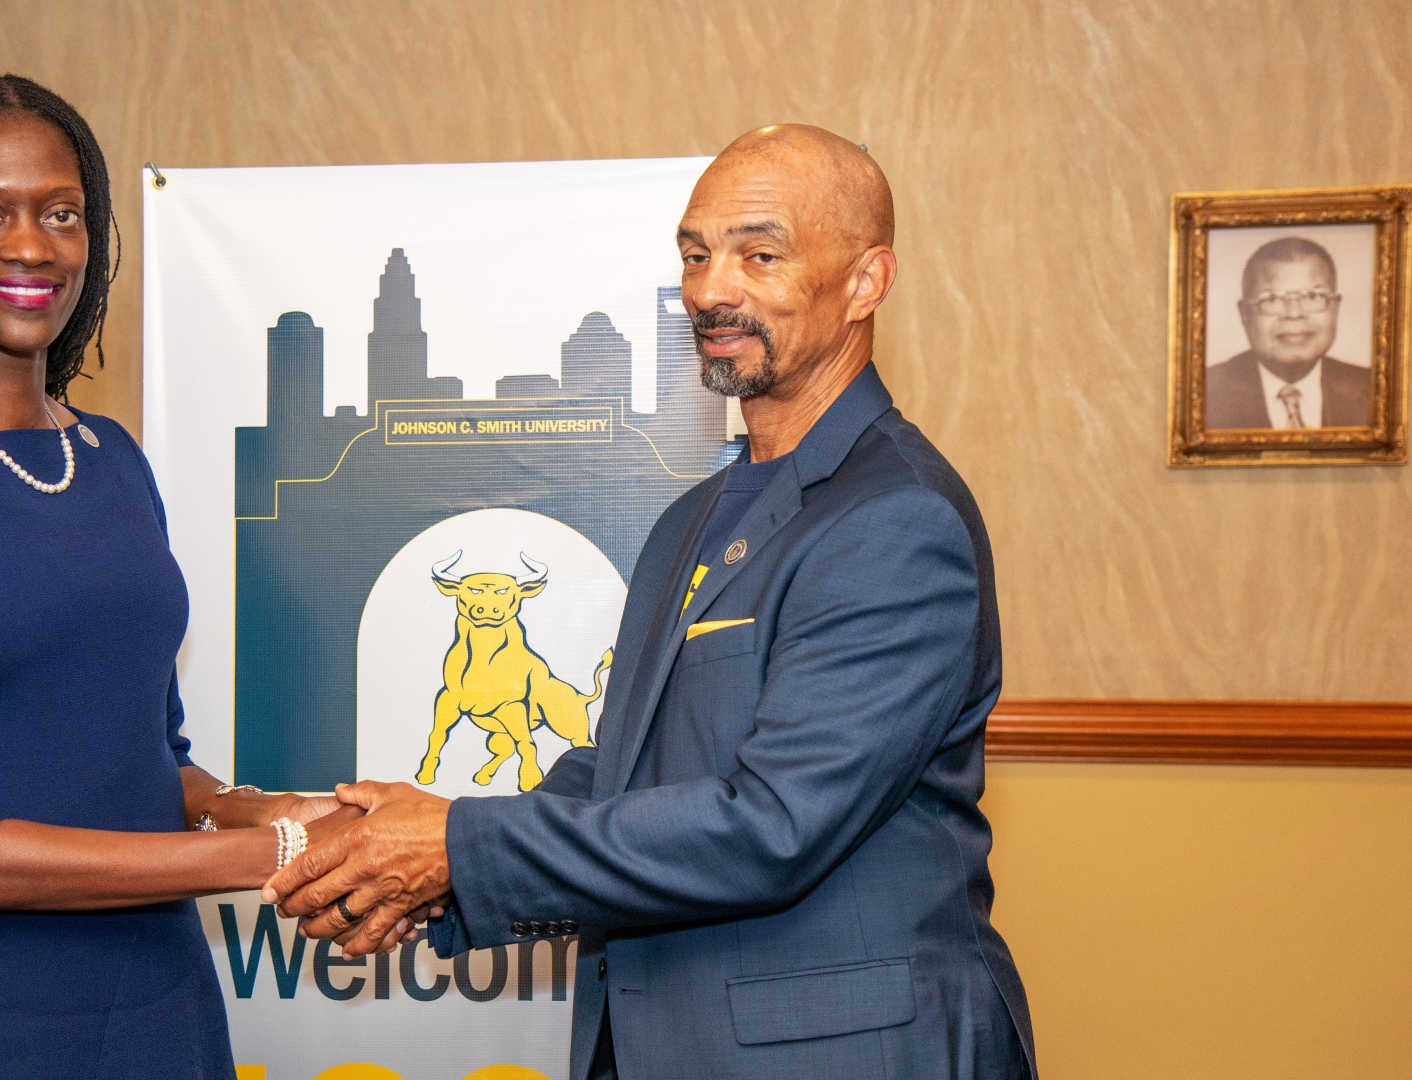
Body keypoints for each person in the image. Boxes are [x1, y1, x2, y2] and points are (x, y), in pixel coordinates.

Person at [265, 125, 1035, 1079]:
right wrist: (425, 860)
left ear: (868, 281)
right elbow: (628, 771)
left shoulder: (896, 519)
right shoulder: (691, 519)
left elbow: (774, 826)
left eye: (761, 254)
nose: (713, 289)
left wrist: (457, 846)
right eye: (695, 254)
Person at [0, 74, 394, 1079]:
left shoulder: (105, 453)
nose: (29, 246)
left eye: (62, 213)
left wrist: (243, 806)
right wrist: (265, 859)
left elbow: (143, 750)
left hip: (151, 993)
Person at [1205, 235, 1371, 429]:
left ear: (1336, 308)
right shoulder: (1202, 394)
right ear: (1245, 314)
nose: (1294, 313)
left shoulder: (1377, 390)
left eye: (1313, 296)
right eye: (1272, 299)